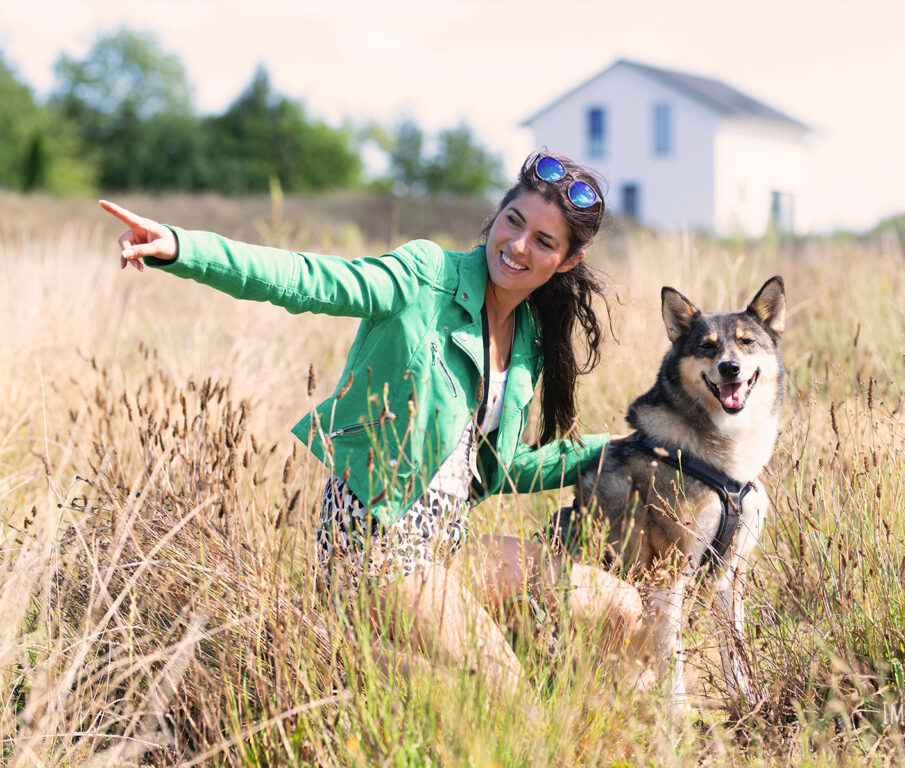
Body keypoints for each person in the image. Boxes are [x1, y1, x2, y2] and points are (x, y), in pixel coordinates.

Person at [100, 151, 642, 693]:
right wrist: (183, 247)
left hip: (443, 547)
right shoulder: (426, 275)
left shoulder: (527, 339)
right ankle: (358, 655)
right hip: (372, 548)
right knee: (502, 684)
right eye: (514, 222)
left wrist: (612, 449)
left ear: (569, 260)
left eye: (545, 242)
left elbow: (499, 469)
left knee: (620, 607)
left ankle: (596, 729)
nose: (519, 246)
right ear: (496, 216)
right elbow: (310, 280)